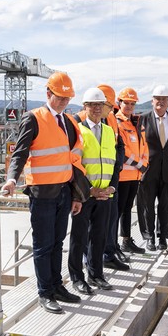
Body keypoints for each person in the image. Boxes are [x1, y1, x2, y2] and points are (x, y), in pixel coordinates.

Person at [1, 72, 90, 314]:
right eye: (59, 97)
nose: (63, 102)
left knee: (57, 242)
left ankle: (56, 287)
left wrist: (76, 195)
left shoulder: (70, 122)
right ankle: (45, 292)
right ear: (48, 93)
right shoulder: (34, 119)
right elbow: (20, 153)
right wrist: (11, 179)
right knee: (43, 245)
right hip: (42, 194)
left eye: (67, 98)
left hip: (63, 192)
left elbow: (72, 161)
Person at [68, 88, 119, 295]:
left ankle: (96, 274)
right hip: (84, 195)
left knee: (99, 236)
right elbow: (75, 164)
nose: (97, 108)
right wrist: (89, 190)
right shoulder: (78, 131)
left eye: (100, 105)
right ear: (85, 107)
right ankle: (77, 279)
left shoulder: (108, 131)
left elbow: (115, 163)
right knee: (79, 238)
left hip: (106, 194)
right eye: (92, 104)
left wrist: (112, 187)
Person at [137, 85, 168, 251]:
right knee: (147, 207)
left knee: (166, 206)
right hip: (148, 171)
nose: (161, 102)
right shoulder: (142, 120)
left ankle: (163, 237)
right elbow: (136, 146)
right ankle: (150, 237)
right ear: (152, 101)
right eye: (158, 99)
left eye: (164, 99)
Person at [95, 83, 130, 270]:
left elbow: (119, 144)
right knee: (100, 223)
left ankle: (110, 251)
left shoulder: (111, 119)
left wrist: (116, 167)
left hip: (112, 178)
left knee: (111, 217)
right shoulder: (89, 121)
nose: (109, 109)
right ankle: (101, 257)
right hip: (98, 181)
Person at [114, 87, 149, 256]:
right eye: (126, 103)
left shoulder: (136, 123)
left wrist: (144, 163)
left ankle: (126, 241)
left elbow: (144, 146)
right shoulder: (117, 122)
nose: (129, 106)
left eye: (132, 103)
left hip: (135, 175)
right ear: (118, 103)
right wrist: (138, 163)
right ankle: (113, 245)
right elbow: (121, 150)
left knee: (128, 209)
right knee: (118, 211)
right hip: (122, 176)